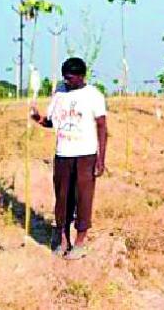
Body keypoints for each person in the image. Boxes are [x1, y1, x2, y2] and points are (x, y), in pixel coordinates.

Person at [30, 57, 108, 260]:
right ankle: (63, 239)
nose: (67, 81)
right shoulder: (59, 93)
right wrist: (38, 118)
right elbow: (52, 123)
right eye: (64, 77)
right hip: (63, 154)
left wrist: (101, 159)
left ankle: (80, 241)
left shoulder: (94, 96)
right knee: (62, 198)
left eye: (70, 78)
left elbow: (101, 126)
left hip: (86, 155)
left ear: (81, 77)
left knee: (83, 197)